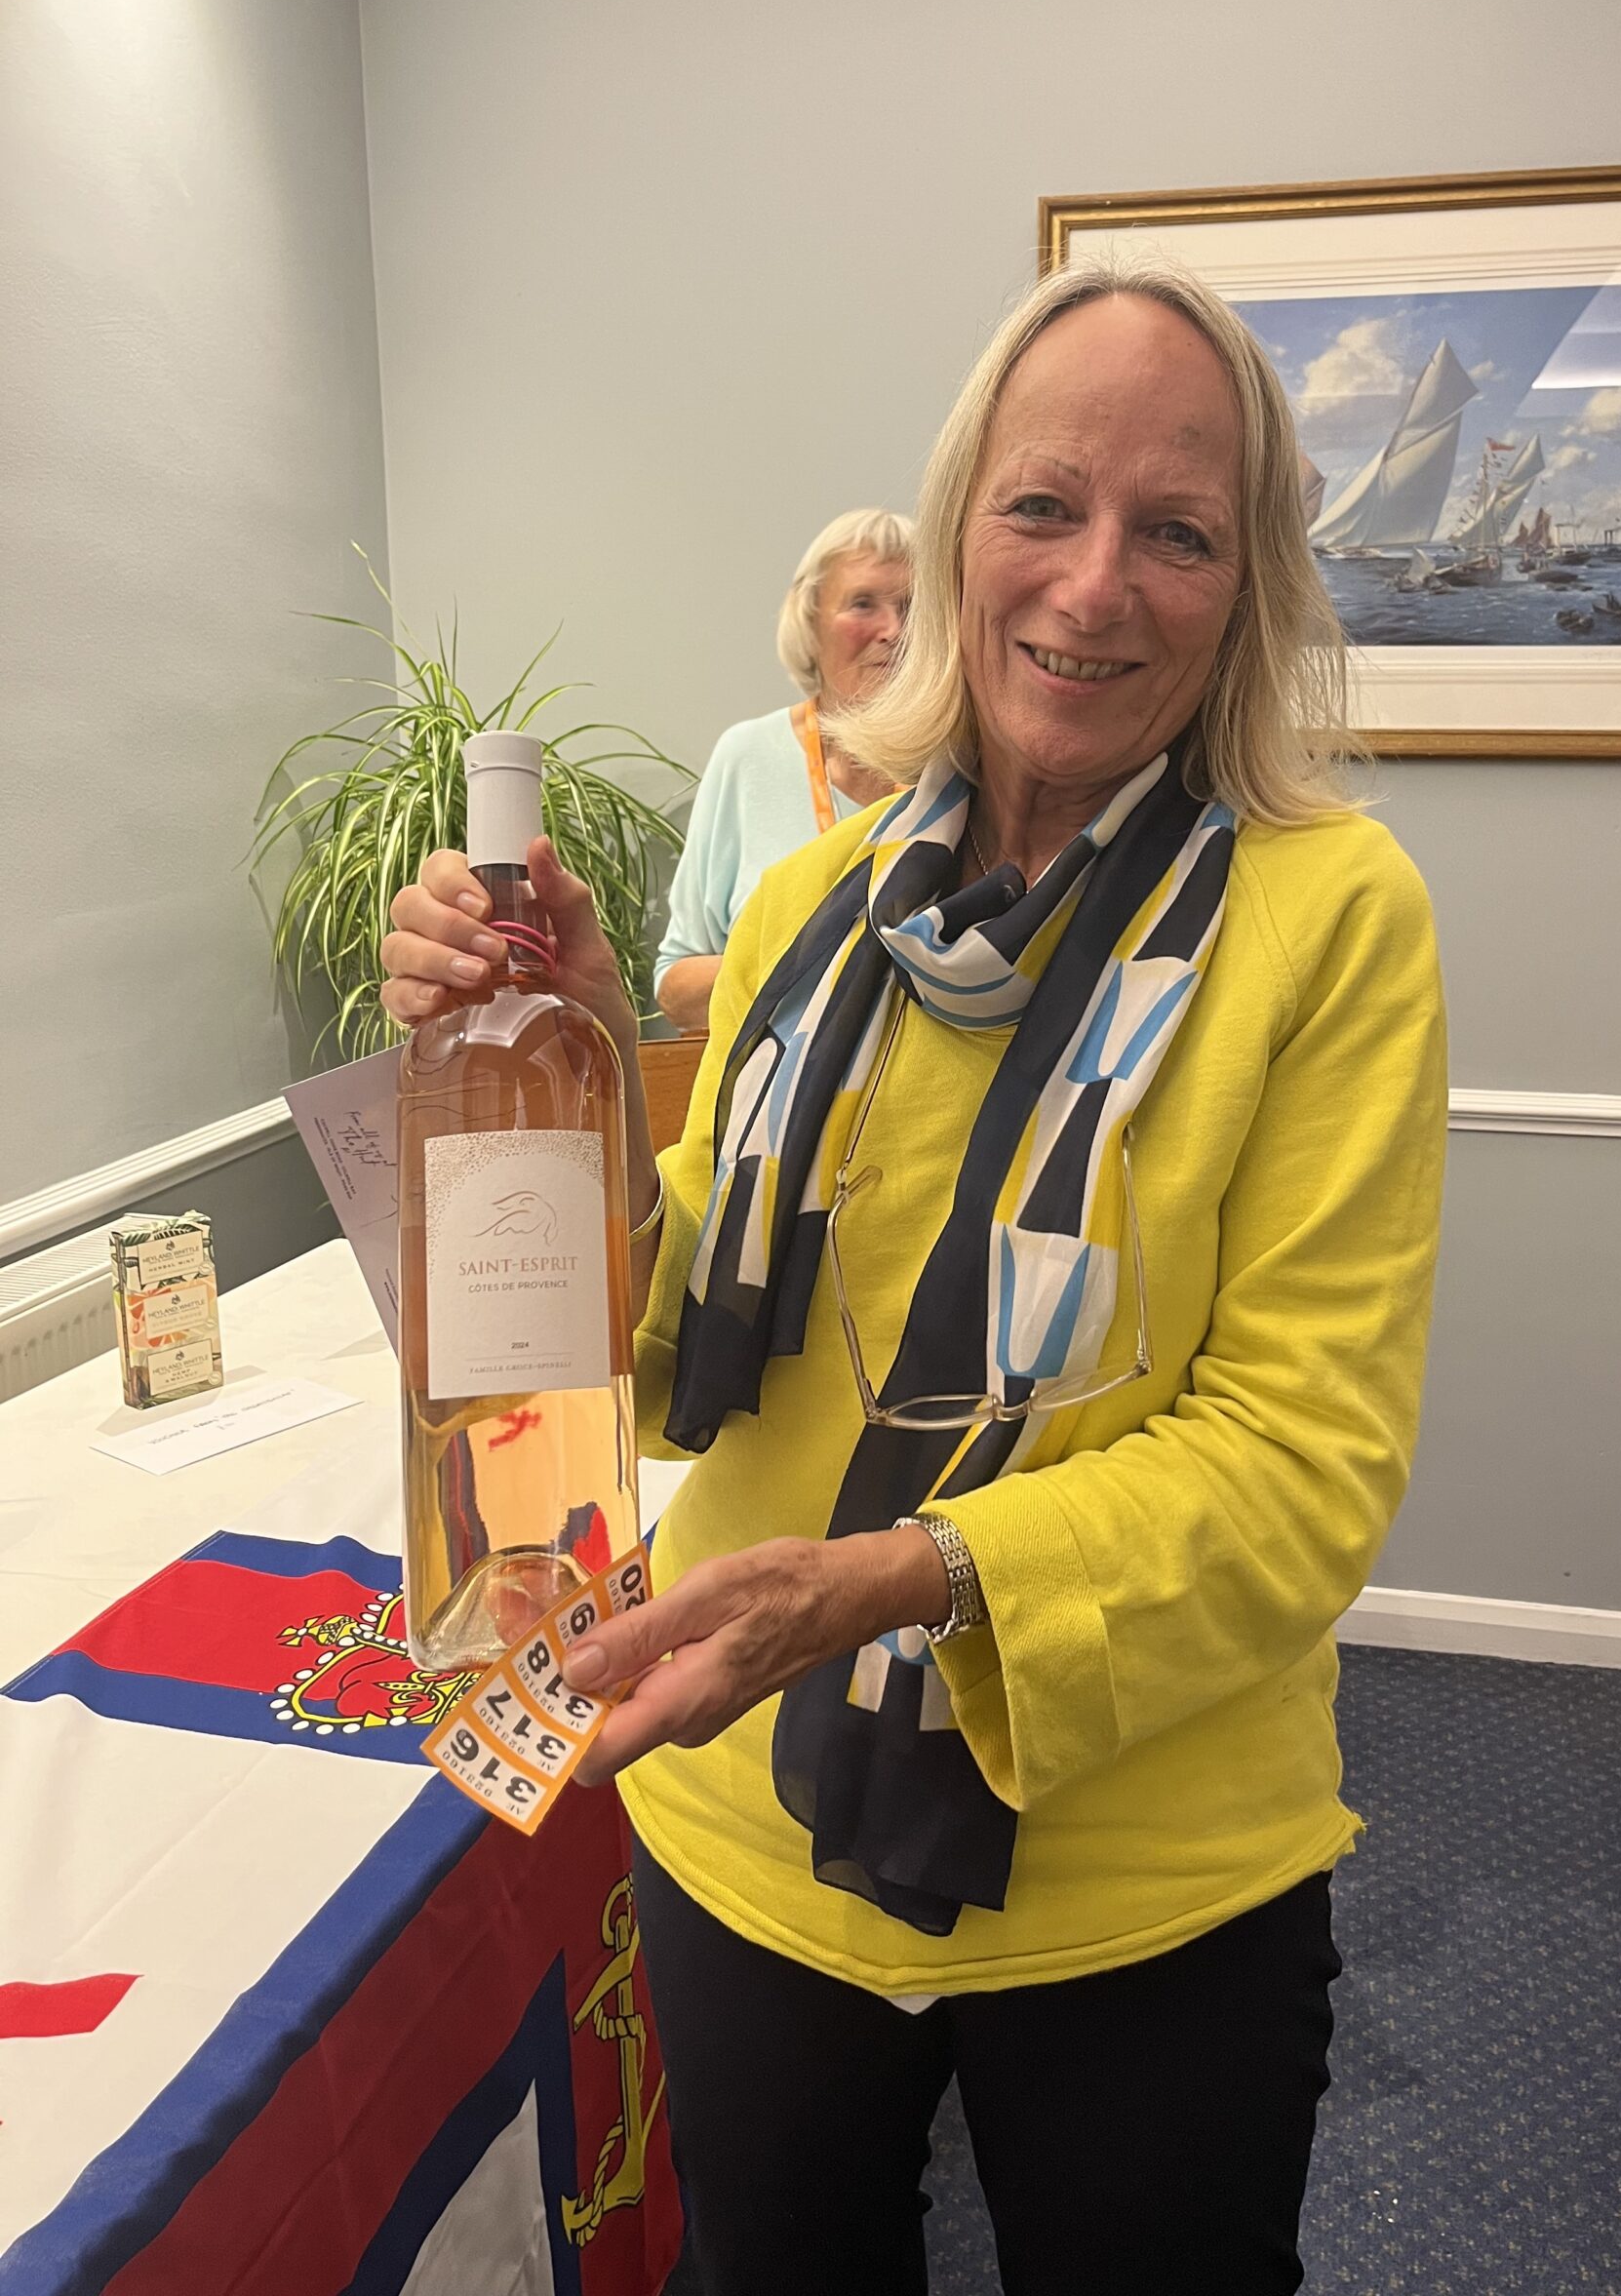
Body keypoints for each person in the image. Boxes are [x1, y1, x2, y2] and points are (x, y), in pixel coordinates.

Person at [378, 259, 1446, 2296]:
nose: (1094, 584)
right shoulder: (808, 905)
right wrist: (569, 1065)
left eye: (1178, 531)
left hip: (1140, 1874)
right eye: (1044, 504)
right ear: (961, 530)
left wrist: (888, 1579)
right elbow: (660, 1333)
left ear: (1250, 586)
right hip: (744, 1821)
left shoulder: (1334, 919)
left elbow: (1302, 1468)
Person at [653, 508, 912, 1031]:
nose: (894, 629)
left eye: (913, 608)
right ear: (810, 625)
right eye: (863, 603)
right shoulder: (747, 756)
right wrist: (808, 960)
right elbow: (676, 988)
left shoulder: (965, 765)